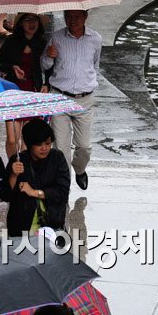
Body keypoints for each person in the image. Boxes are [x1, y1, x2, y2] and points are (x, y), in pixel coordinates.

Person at [41, 10, 102, 191]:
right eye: (68, 16)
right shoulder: (56, 37)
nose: (72, 20)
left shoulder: (96, 39)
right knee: (61, 148)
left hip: (85, 99)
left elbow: (95, 65)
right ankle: (62, 187)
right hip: (59, 96)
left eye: (76, 17)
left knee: (84, 146)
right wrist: (49, 57)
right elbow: (44, 65)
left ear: (85, 17)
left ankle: (80, 169)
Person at [4, 118, 70, 237]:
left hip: (51, 226)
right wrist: (13, 175)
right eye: (39, 144)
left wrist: (34, 192)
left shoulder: (57, 158)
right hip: (21, 228)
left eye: (48, 143)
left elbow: (62, 192)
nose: (44, 148)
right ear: (29, 144)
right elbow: (5, 195)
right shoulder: (18, 161)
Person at [0, 13, 48, 157]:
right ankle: (12, 166)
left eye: (35, 20)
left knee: (27, 140)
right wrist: (12, 67)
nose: (32, 24)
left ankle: (24, 172)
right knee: (13, 139)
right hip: (13, 92)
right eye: (28, 20)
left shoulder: (42, 43)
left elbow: (50, 67)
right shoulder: (11, 41)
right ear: (21, 24)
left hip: (33, 92)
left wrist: (46, 84)